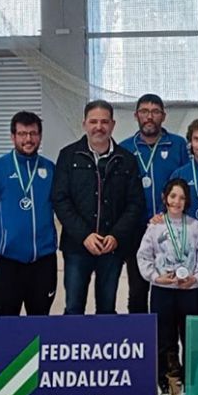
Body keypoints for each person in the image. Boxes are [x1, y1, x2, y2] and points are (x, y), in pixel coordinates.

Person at [52, 100, 145, 315]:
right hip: (77, 247)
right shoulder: (68, 156)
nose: (99, 127)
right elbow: (60, 200)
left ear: (113, 124)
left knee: (106, 308)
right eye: (93, 121)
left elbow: (135, 203)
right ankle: (73, 347)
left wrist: (116, 236)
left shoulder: (126, 160)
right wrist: (85, 235)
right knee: (74, 307)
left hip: (112, 248)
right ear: (84, 124)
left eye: (104, 121)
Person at [0, 111, 57, 316]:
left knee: (40, 320)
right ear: (13, 137)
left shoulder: (50, 169)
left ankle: (34, 350)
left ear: (40, 136)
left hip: (43, 259)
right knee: (6, 319)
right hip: (7, 260)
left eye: (33, 133)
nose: (28, 139)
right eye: (22, 134)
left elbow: (66, 206)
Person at [136, 179, 198, 395]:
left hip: (189, 291)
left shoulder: (195, 226)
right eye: (173, 196)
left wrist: (195, 277)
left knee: (190, 337)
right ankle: (162, 386)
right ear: (165, 197)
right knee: (163, 339)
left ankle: (189, 384)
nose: (177, 201)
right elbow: (143, 257)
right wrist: (156, 277)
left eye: (182, 197)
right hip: (162, 291)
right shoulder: (155, 227)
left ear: (187, 201)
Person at [119, 94, 190, 314]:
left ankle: (166, 346)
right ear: (136, 115)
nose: (149, 116)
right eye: (144, 111)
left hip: (173, 230)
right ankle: (139, 343)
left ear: (163, 116)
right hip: (137, 229)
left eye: (155, 111)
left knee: (170, 287)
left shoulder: (178, 145)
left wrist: (167, 216)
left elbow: (186, 186)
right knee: (138, 289)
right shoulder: (125, 148)